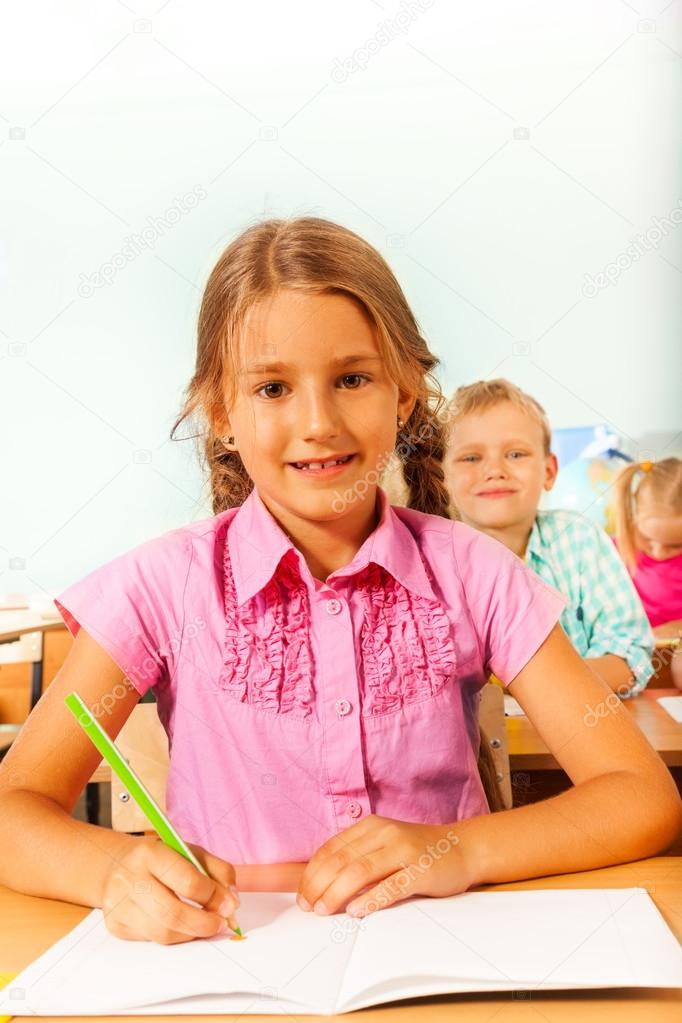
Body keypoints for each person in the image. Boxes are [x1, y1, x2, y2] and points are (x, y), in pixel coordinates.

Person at [0, 219, 679, 947]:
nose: (318, 422)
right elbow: (16, 808)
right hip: (231, 972)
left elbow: (640, 796)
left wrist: (460, 850)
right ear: (222, 412)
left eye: (352, 379)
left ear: (406, 394)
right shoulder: (160, 585)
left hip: (444, 966)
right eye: (273, 387)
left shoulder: (477, 574)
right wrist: (113, 870)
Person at [443, 379, 654, 697]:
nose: (495, 470)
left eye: (515, 454)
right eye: (471, 458)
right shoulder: (427, 558)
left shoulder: (581, 541)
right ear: (441, 475)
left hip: (579, 730)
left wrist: (527, 686)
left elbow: (632, 660)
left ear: (550, 471)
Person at [614, 458, 682, 688]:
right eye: (647, 538)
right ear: (632, 519)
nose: (659, 551)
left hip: (669, 672)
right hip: (621, 668)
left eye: (676, 545)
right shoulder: (612, 553)